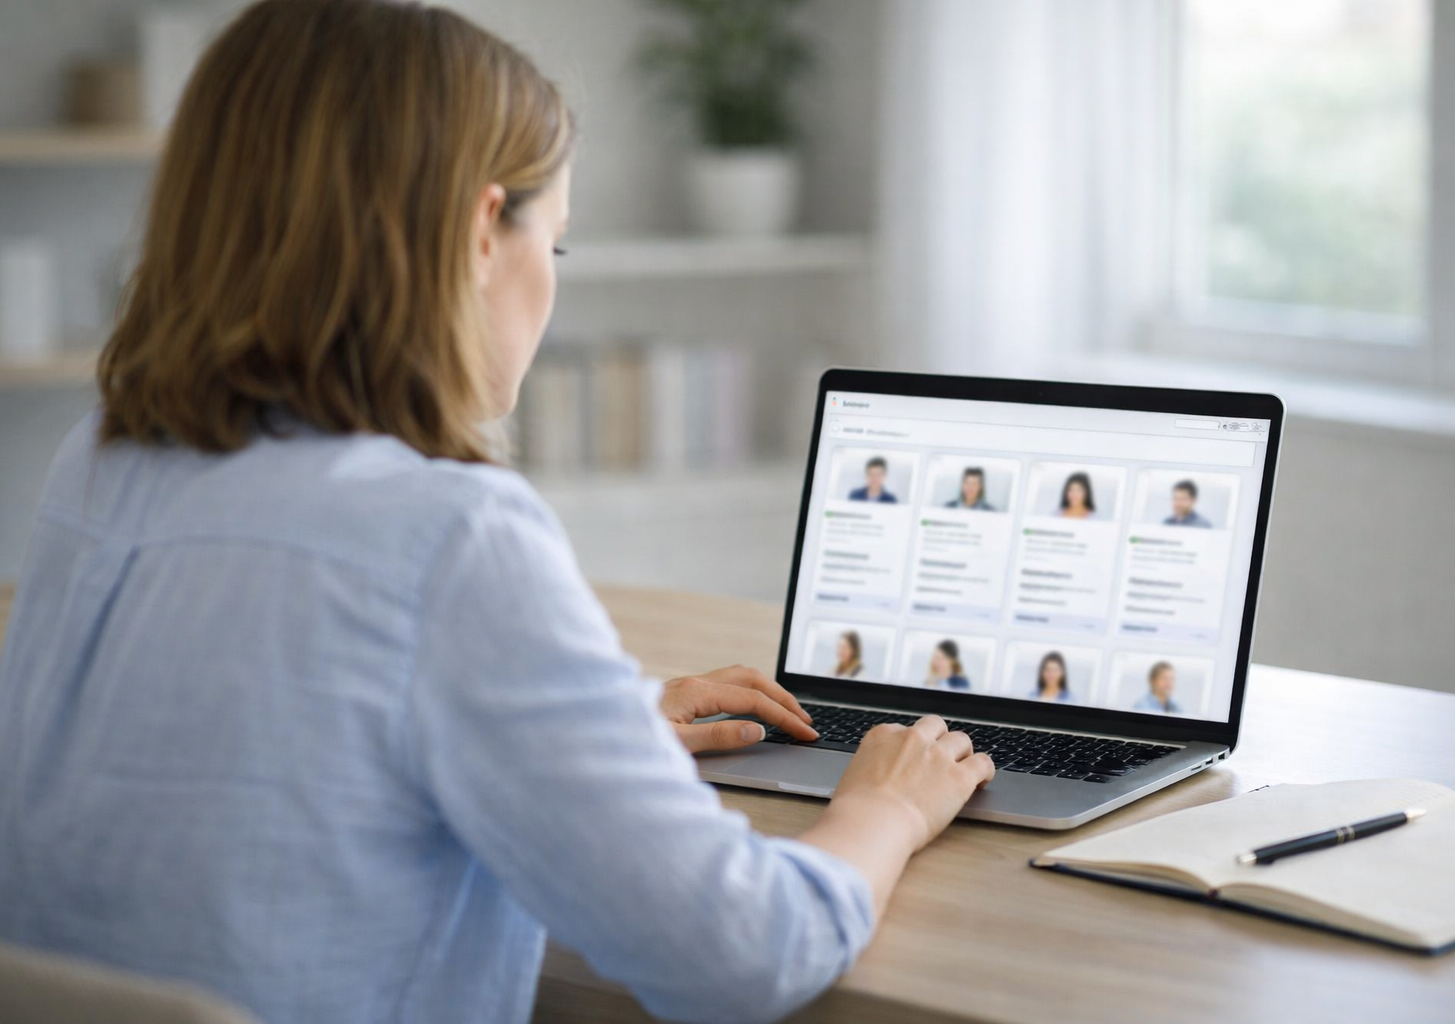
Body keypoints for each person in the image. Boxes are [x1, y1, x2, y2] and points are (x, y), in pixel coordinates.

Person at [0, 4, 997, 1024]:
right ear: (483, 231)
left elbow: (267, 737)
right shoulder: (448, 534)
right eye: (554, 245)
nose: (549, 286)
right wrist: (885, 806)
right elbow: (740, 954)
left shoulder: (103, 461)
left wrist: (588, 728)